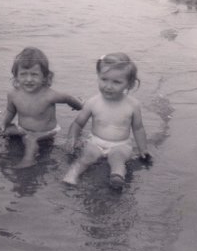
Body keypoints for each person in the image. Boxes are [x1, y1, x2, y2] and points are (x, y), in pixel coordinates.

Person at [62, 53, 150, 191]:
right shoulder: (93, 102)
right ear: (98, 77)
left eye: (116, 82)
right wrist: (72, 138)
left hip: (120, 145)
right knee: (87, 157)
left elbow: (138, 128)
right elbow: (78, 123)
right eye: (104, 79)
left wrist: (143, 149)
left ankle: (117, 177)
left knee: (117, 159)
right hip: (95, 142)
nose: (108, 86)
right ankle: (72, 174)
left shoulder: (133, 105)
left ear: (130, 84)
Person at [0, 47, 83, 168]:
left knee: (30, 139)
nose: (29, 79)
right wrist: (3, 123)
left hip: (46, 132)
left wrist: (79, 105)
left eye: (34, 75)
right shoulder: (13, 94)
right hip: (22, 128)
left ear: (44, 77)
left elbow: (67, 98)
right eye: (23, 74)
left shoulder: (49, 95)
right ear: (16, 75)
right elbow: (10, 110)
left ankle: (29, 160)